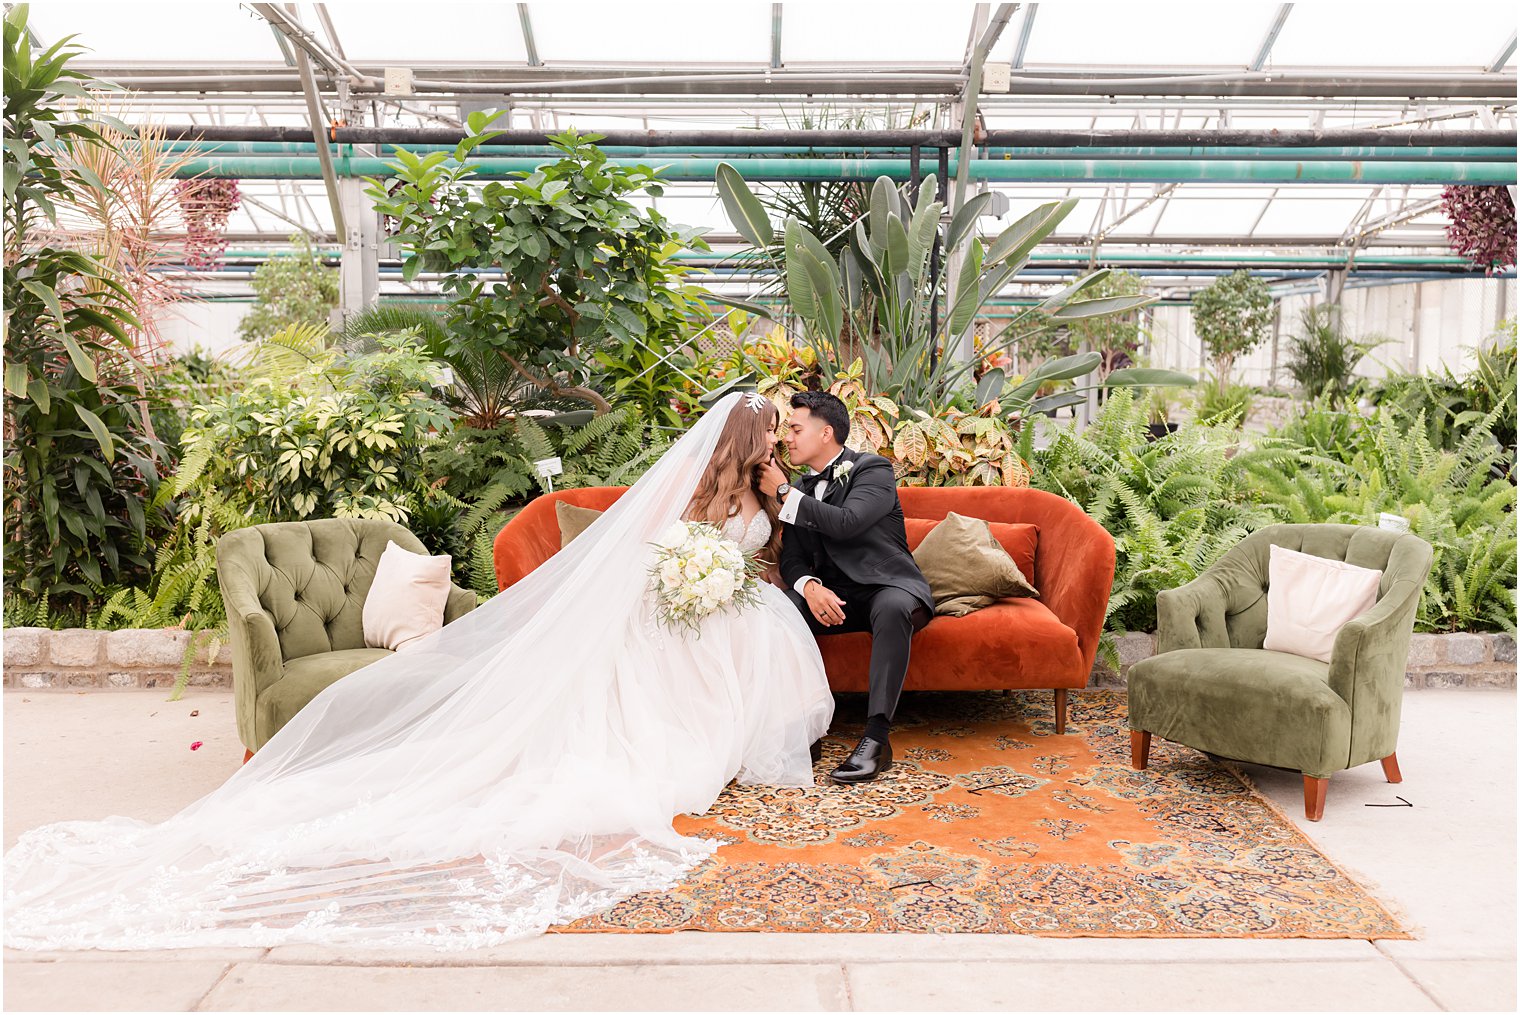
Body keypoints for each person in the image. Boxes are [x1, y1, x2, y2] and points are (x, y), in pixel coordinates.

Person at [3, 391, 834, 951]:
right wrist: (700, 577)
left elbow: (770, 557)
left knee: (763, 644)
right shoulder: (690, 492)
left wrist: (744, 569)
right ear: (739, 440)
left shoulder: (769, 490)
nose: (775, 443)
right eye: (766, 434)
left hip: (728, 610)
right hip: (679, 611)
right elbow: (651, 559)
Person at [756, 391, 934, 785]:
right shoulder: (804, 485)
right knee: (783, 608)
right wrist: (809, 586)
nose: (788, 437)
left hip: (888, 586)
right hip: (835, 596)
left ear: (826, 433)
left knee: (890, 607)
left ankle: (876, 739)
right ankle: (803, 731)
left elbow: (848, 522)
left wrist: (786, 493)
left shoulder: (873, 469)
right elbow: (793, 558)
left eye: (796, 428)